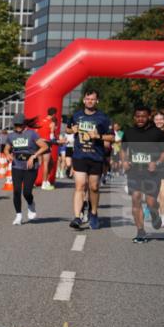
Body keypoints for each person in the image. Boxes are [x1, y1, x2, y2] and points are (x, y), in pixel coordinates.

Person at [120, 106, 164, 242]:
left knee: (151, 202)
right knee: (136, 198)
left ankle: (155, 214)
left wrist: (157, 162)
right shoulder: (129, 132)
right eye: (137, 116)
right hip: (134, 172)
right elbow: (123, 149)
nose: (140, 119)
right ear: (134, 117)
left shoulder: (157, 133)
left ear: (148, 117)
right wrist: (124, 161)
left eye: (143, 116)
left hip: (152, 173)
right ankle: (140, 231)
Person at [67, 89, 113, 230]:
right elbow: (68, 130)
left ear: (97, 101)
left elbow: (112, 137)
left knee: (94, 187)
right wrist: (71, 131)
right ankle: (77, 217)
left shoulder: (103, 118)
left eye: (92, 99)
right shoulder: (76, 115)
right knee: (80, 186)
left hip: (96, 156)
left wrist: (98, 137)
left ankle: (93, 213)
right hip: (80, 156)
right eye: (88, 99)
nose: (90, 101)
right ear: (84, 100)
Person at [2, 112, 48, 225]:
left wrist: (34, 156)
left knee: (27, 192)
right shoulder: (11, 136)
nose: (17, 127)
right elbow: (6, 149)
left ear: (24, 124)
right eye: (15, 125)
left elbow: (44, 146)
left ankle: (31, 204)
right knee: (17, 191)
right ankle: (18, 215)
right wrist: (7, 154)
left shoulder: (32, 134)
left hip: (30, 166)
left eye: (19, 125)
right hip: (17, 165)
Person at [40, 107, 58, 190]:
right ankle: (44, 183)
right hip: (46, 143)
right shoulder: (52, 123)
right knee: (46, 164)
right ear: (54, 114)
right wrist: (58, 141)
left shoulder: (41, 121)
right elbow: (51, 136)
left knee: (50, 163)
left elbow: (37, 132)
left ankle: (45, 180)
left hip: (39, 143)